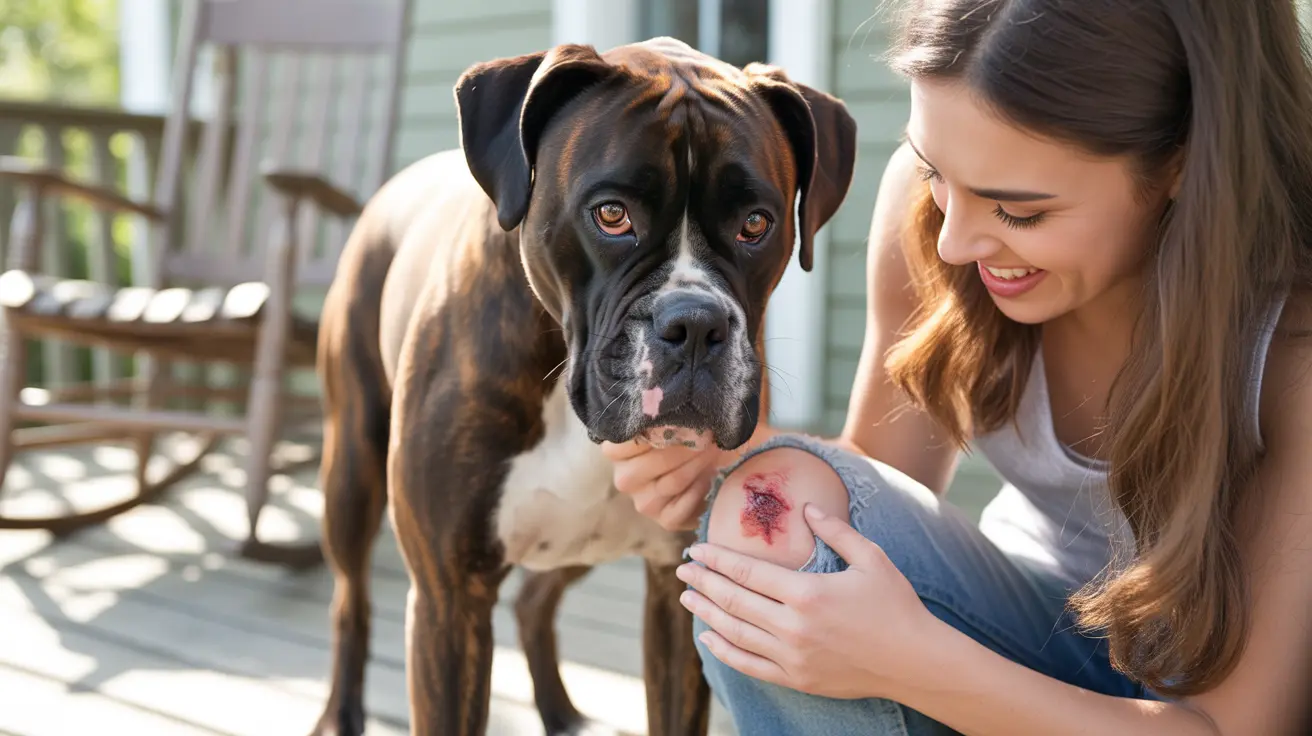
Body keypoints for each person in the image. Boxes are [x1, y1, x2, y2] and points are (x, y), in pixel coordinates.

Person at [601, 0, 1312, 733]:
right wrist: (735, 455)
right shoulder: (934, 217)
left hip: (1191, 695)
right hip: (1017, 624)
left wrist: (910, 662)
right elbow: (870, 495)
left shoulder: (1292, 342)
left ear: (1181, 162)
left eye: (1019, 212)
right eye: (937, 172)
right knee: (773, 514)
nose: (954, 244)